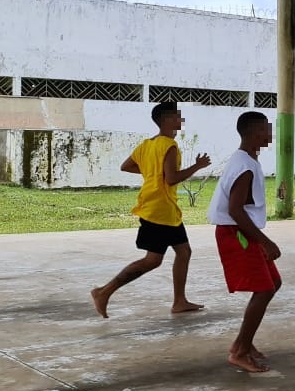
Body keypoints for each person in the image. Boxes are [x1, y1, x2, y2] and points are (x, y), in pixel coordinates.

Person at [91, 101, 211, 318]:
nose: (180, 120)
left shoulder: (147, 144)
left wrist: (152, 174)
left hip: (165, 210)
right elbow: (172, 179)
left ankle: (179, 301)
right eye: (177, 116)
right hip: (160, 210)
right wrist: (197, 166)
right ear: (166, 120)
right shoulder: (169, 145)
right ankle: (104, 292)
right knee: (152, 260)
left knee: (184, 252)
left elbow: (126, 166)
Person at [209, 111, 282, 373]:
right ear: (253, 134)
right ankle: (240, 351)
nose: (270, 133)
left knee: (273, 283)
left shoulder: (247, 160)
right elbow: (236, 210)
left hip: (242, 231)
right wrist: (265, 242)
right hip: (237, 233)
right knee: (264, 289)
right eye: (265, 129)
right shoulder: (244, 166)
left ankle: (243, 343)